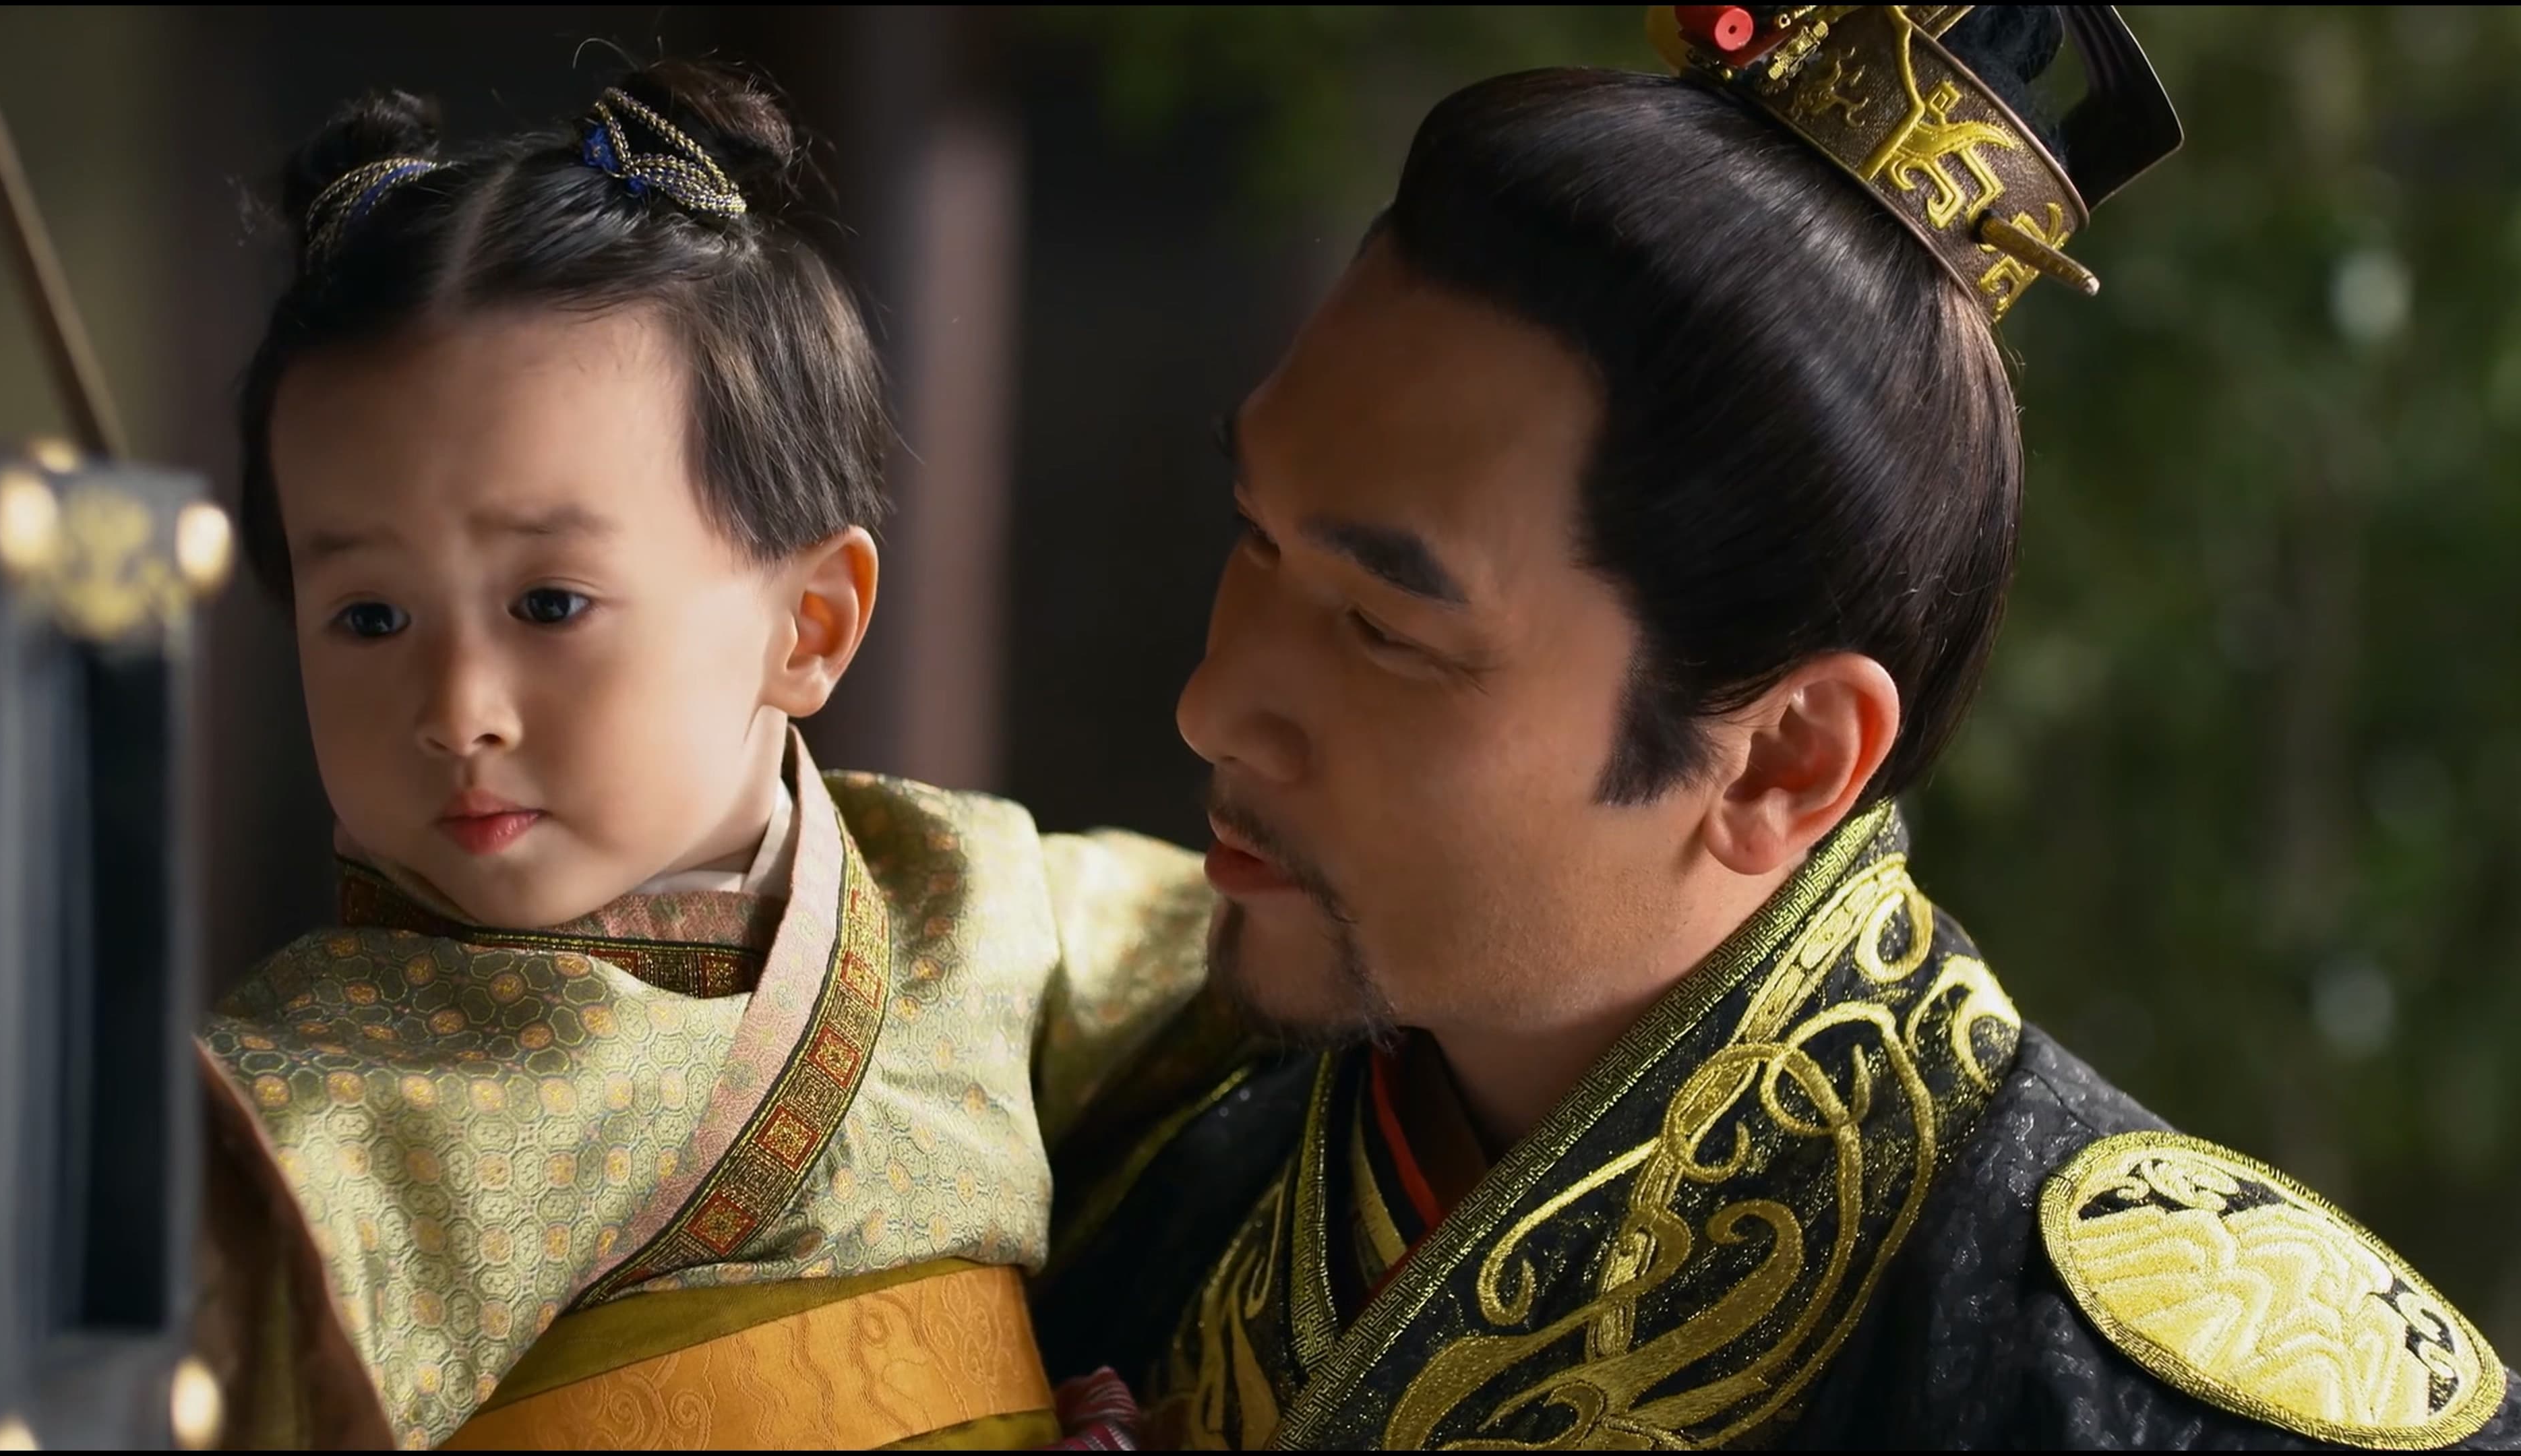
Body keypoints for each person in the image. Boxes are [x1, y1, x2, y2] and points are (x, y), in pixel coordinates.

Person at [1032, 6, 2521, 1449]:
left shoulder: (2125, 1393)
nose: (1213, 704)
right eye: (1255, 532)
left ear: (1786, 757)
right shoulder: (1127, 1116)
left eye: (1382, 630)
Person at [189, 60, 1211, 1450]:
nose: (457, 709)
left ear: (810, 622)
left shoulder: (970, 902)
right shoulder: (271, 1123)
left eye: (551, 604)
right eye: (369, 616)